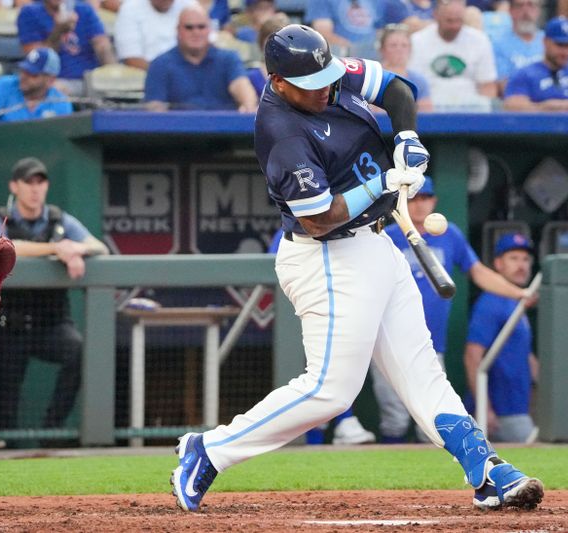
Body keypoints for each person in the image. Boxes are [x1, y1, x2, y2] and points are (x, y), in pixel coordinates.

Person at [170, 23, 543, 513]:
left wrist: (406, 135)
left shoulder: (320, 75)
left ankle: (487, 470)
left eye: (327, 76)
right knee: (330, 391)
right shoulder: (281, 132)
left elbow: (396, 88)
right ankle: (210, 450)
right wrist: (384, 181)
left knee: (422, 370)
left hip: (376, 242)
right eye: (311, 84)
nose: (326, 88)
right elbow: (321, 219)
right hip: (325, 255)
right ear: (279, 82)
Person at [372, 178, 533, 443]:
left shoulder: (450, 235)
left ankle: (430, 483)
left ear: (434, 201)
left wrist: (519, 293)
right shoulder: (387, 237)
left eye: (425, 198)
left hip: (431, 343)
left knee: (434, 419)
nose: (419, 204)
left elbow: (478, 272)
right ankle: (393, 484)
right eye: (412, 198)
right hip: (390, 339)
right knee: (395, 417)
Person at [0, 156, 109, 440]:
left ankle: (51, 430)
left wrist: (75, 249)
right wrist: (56, 249)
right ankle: (5, 445)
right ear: (15, 186)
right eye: (28, 182)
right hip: (9, 325)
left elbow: (98, 247)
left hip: (52, 323)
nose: (35, 189)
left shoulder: (59, 219)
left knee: (77, 351)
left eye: (41, 182)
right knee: (6, 405)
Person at [268, 227, 376, 446]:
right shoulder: (285, 235)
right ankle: (315, 441)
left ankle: (344, 421)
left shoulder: (342, 231)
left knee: (338, 370)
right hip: (297, 316)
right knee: (313, 381)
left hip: (333, 312)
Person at [463, 233, 538, 443]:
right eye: (513, 258)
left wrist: (561, 396)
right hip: (500, 411)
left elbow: (528, 357)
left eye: (525, 259)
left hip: (518, 407)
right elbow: (472, 356)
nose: (521, 265)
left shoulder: (517, 303)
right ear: (498, 264)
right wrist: (485, 409)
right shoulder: (492, 302)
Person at [144, 3, 258, 112]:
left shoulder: (229, 59)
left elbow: (242, 87)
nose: (196, 32)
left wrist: (248, 105)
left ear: (210, 30)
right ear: (178, 30)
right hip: (177, 130)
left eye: (201, 27)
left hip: (224, 129)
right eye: (189, 27)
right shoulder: (159, 65)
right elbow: (155, 109)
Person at [503, 16, 568, 112]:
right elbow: (512, 106)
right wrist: (543, 109)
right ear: (545, 42)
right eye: (560, 45)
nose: (565, 52)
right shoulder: (525, 75)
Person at [408, 0, 497, 112]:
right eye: (449, 21)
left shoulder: (480, 40)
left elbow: (487, 86)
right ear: (436, 16)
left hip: (471, 109)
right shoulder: (417, 41)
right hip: (431, 107)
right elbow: (414, 85)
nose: (454, 26)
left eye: (458, 21)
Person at [17, 0, 117, 95]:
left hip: (88, 79)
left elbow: (102, 46)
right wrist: (59, 30)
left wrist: (113, 75)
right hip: (52, 80)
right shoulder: (29, 12)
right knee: (55, 89)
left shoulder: (84, 10)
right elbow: (36, 59)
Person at [0, 47, 72, 125]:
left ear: (50, 80)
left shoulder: (60, 103)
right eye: (24, 70)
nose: (24, 76)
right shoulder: (4, 86)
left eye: (33, 74)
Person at [113, 0, 191, 70]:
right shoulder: (129, 9)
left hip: (187, 73)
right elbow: (131, 60)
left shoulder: (189, 6)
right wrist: (168, 75)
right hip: (146, 77)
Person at [492, 0, 544, 96]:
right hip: (515, 105)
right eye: (519, 6)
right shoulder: (497, 43)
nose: (526, 11)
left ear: (538, 10)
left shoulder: (548, 41)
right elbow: (504, 86)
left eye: (531, 5)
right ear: (510, 11)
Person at [377, 23, 432, 112]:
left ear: (410, 49)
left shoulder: (419, 81)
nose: (399, 49)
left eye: (404, 45)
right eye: (393, 45)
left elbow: (427, 115)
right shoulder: (372, 77)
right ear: (382, 50)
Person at [305, 0, 388, 59]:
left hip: (375, 53)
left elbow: (381, 28)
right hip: (341, 56)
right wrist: (356, 50)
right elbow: (323, 33)